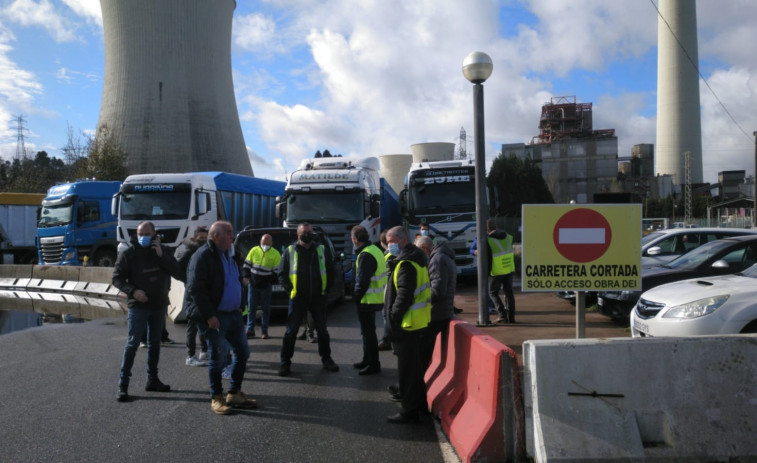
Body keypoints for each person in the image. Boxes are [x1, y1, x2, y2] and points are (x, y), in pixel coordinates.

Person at [185, 221, 257, 415]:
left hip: (233, 315)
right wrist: (209, 315)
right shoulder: (202, 257)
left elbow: (237, 280)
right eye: (228, 233)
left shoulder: (232, 254)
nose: (232, 236)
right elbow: (196, 290)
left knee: (242, 353)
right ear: (215, 236)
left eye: (232, 232)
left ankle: (234, 392)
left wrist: (241, 304)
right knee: (218, 358)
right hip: (215, 317)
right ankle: (216, 397)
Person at [114, 221, 181, 402]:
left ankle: (153, 379)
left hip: (159, 305)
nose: (142, 237)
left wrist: (160, 255)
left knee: (155, 343)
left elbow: (177, 272)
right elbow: (117, 278)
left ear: (154, 235)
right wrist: (133, 291)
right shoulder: (129, 254)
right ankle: (123, 384)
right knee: (133, 343)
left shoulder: (164, 251)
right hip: (138, 306)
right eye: (139, 234)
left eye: (146, 234)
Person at [277, 223, 339, 376]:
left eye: (310, 232)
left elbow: (331, 270)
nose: (309, 234)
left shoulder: (321, 250)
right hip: (298, 297)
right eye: (305, 232)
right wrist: (290, 290)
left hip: (318, 297)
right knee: (291, 331)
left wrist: (326, 290)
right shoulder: (290, 251)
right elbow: (282, 273)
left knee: (322, 331)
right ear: (298, 235)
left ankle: (327, 359)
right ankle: (285, 362)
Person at [383, 226, 431, 424]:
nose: (388, 246)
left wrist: (393, 316)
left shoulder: (407, 263)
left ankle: (409, 410)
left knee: (407, 371)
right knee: (416, 368)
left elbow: (404, 294)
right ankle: (420, 406)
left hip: (407, 323)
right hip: (417, 321)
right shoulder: (414, 258)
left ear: (403, 240)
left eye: (391, 241)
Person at [415, 235, 456, 371]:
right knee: (422, 352)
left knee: (421, 352)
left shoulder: (437, 260)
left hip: (436, 313)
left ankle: (413, 384)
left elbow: (437, 291)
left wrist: (419, 298)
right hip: (443, 311)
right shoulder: (443, 257)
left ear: (424, 248)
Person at [350, 225, 387, 376]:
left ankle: (373, 364)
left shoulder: (365, 254)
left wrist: (355, 297)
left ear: (355, 239)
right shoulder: (375, 250)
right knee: (367, 332)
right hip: (374, 298)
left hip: (367, 299)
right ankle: (367, 359)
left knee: (368, 334)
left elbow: (362, 281)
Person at [175, 226, 209, 367]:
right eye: (200, 238)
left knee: (204, 322)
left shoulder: (207, 251)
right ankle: (190, 355)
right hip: (192, 293)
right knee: (193, 324)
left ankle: (205, 350)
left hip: (204, 291)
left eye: (205, 238)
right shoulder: (189, 253)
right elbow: (177, 270)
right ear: (195, 238)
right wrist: (188, 281)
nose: (203, 240)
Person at [243, 234, 281, 339]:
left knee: (265, 309)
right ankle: (250, 330)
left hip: (265, 286)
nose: (265, 245)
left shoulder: (275, 254)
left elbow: (276, 272)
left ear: (271, 243)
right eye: (264, 243)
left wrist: (267, 280)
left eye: (268, 243)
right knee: (251, 308)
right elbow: (246, 265)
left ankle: (264, 331)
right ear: (260, 241)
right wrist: (246, 276)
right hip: (253, 285)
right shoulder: (254, 250)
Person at [485, 219, 516, 324]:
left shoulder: (489, 240)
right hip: (509, 268)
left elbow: (488, 259)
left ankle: (502, 315)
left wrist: (487, 272)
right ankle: (511, 317)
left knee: (493, 292)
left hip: (497, 271)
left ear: (487, 229)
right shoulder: (508, 236)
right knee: (509, 293)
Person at [377, 229, 393, 351]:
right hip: (390, 291)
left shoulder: (387, 256)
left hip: (389, 292)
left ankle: (388, 340)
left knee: (386, 316)